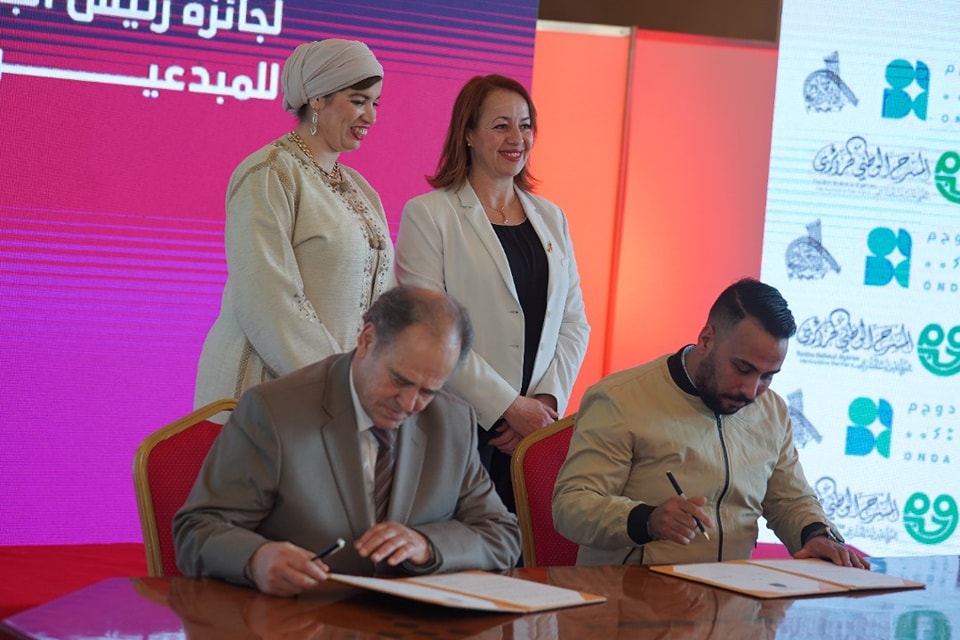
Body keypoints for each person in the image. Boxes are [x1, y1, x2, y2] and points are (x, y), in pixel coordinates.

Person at [174, 286, 521, 596]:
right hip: (303, 618)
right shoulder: (273, 411)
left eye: (428, 391)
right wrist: (257, 558)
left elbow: (502, 534)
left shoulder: (452, 420)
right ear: (367, 340)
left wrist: (428, 546)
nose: (409, 404)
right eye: (399, 380)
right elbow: (197, 530)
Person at [553, 278, 869, 569]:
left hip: (734, 600)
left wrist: (816, 534)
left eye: (767, 376)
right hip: (632, 599)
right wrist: (646, 520)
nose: (751, 391)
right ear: (706, 339)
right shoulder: (620, 399)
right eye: (742, 368)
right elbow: (571, 505)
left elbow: (790, 500)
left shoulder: (772, 411)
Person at [394, 74, 589, 511]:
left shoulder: (552, 217)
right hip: (456, 425)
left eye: (525, 125)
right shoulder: (429, 215)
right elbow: (429, 332)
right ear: (468, 133)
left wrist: (543, 405)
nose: (517, 138)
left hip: (531, 434)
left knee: (521, 547)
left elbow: (574, 323)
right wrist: (507, 407)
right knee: (452, 545)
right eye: (501, 126)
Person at [194, 39, 393, 409]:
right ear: (317, 98)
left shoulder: (361, 189)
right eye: (358, 101)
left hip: (341, 398)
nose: (371, 117)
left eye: (375, 103)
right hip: (268, 392)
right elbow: (268, 298)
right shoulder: (269, 172)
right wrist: (338, 384)